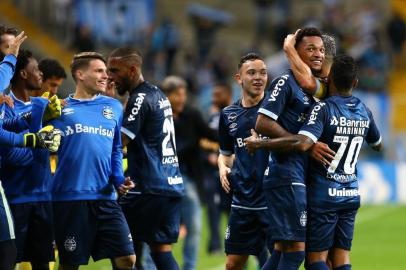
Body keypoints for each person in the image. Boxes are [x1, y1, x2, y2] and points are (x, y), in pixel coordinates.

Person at [245, 54, 382, 270]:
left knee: (316, 259)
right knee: (341, 259)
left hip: (324, 195)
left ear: (329, 80)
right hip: (350, 194)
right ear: (355, 83)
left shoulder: (324, 108)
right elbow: (377, 144)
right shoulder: (365, 110)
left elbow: (302, 143)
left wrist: (260, 144)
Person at [49, 52, 135, 270]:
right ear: (80, 74)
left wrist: (118, 179)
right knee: (70, 264)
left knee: (127, 258)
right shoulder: (60, 108)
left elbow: (116, 148)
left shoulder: (113, 107)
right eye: (99, 71)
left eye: (106, 71)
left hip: (106, 197)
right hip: (71, 198)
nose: (106, 76)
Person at [255, 27, 326, 270]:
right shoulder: (285, 82)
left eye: (321, 49)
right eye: (310, 49)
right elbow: (262, 122)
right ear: (296, 53)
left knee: (280, 252)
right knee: (295, 253)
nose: (318, 54)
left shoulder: (313, 87)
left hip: (297, 175)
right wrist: (300, 144)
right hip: (286, 175)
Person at [107, 47, 184, 270]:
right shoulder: (157, 94)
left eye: (114, 70)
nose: (110, 76)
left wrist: (108, 107)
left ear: (132, 70)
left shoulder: (139, 98)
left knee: (120, 248)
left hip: (147, 187)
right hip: (169, 185)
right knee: (160, 251)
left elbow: (119, 141)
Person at [1, 49, 56, 270]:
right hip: (15, 197)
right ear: (23, 74)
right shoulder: (6, 107)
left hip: (43, 197)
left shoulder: (45, 107)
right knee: (9, 260)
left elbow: (48, 149)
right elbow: (11, 155)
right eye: (36, 70)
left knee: (42, 264)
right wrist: (36, 140)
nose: (41, 75)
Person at [217, 53, 271, 270]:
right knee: (233, 263)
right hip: (243, 201)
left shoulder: (277, 110)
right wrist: (222, 166)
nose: (258, 77)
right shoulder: (228, 115)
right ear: (238, 78)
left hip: (273, 199)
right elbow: (226, 152)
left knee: (280, 259)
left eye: (263, 73)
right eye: (252, 73)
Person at [161, 75, 218, 270]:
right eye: (177, 94)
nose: (182, 98)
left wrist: (231, 132)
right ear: (167, 95)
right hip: (162, 178)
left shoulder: (192, 115)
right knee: (156, 227)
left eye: (183, 94)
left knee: (194, 226)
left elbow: (210, 134)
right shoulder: (157, 116)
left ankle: (189, 267)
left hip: (188, 177)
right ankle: (148, 266)